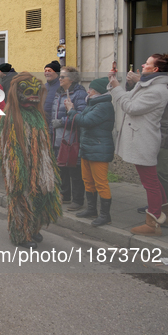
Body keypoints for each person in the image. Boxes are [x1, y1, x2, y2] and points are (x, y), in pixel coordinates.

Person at [108, 53, 168, 236]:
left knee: (150, 182)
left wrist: (116, 88)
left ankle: (152, 223)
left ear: (156, 69)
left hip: (144, 140)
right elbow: (128, 96)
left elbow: (130, 107)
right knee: (153, 179)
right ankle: (165, 214)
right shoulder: (149, 84)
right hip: (141, 139)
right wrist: (113, 81)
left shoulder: (157, 90)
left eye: (147, 63)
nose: (143, 65)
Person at [0, 72, 62, 249]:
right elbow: (8, 148)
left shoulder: (37, 115)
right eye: (27, 92)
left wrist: (46, 164)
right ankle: (20, 233)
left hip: (40, 164)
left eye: (36, 93)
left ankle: (34, 228)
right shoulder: (9, 117)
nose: (33, 98)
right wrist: (17, 170)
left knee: (41, 195)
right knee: (21, 198)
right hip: (19, 166)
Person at [130, 55, 168, 220]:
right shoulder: (156, 84)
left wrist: (142, 82)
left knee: (162, 172)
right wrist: (135, 83)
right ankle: (156, 205)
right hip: (154, 133)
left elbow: (165, 98)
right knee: (152, 175)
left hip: (167, 135)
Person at [65, 77, 115, 226]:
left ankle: (105, 215)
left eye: (91, 89)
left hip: (98, 149)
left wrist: (71, 110)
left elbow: (85, 121)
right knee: (88, 180)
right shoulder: (93, 104)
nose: (88, 92)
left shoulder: (103, 106)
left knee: (101, 183)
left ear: (98, 91)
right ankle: (92, 209)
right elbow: (81, 119)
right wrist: (74, 112)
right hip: (87, 147)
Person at [52, 66, 87, 211]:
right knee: (61, 169)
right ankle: (65, 195)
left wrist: (62, 122)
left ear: (71, 79)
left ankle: (78, 200)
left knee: (75, 170)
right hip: (58, 138)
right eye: (60, 76)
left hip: (72, 139)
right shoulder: (59, 93)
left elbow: (81, 115)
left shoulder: (79, 94)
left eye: (62, 77)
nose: (59, 79)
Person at [43, 60, 61, 132]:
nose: (46, 73)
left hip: (56, 124)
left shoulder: (61, 86)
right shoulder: (44, 87)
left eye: (49, 71)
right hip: (44, 122)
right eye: (45, 71)